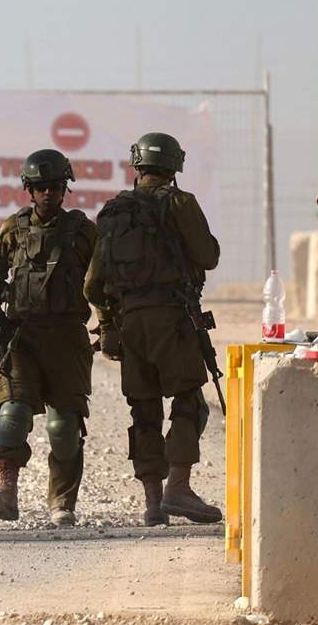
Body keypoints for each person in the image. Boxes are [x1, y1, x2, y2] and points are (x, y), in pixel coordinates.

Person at [84, 131, 224, 526]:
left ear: (138, 164)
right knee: (189, 401)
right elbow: (208, 257)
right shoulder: (180, 203)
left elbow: (92, 285)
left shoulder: (113, 212)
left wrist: (109, 325)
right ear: (174, 167)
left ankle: (152, 503)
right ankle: (178, 488)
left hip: (130, 325)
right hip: (172, 319)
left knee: (144, 411)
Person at [0, 148, 97, 525]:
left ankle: (62, 503)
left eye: (55, 186)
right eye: (40, 187)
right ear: (28, 190)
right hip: (23, 340)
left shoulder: (83, 232)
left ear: (65, 188)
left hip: (68, 341)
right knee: (12, 416)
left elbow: (103, 283)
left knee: (64, 427)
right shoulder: (14, 230)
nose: (49, 194)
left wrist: (111, 328)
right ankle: (6, 492)